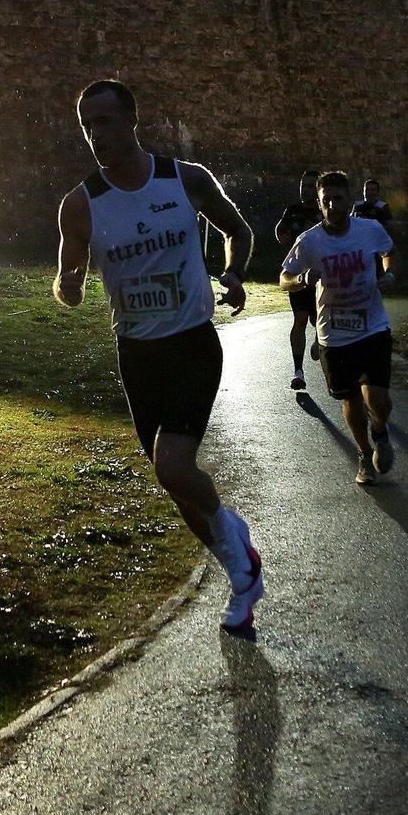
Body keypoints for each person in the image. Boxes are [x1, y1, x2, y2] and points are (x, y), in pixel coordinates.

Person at [54, 79, 265, 634]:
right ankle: (239, 571)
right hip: (137, 353)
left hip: (192, 341)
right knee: (171, 480)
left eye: (105, 120)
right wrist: (70, 285)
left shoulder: (185, 179)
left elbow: (236, 230)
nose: (97, 134)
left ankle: (232, 537)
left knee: (173, 465)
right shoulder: (80, 204)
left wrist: (235, 271)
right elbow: (66, 277)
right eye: (87, 125)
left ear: (131, 120)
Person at [280, 170, 399, 485]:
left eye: (338, 198)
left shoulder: (369, 229)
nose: (332, 205)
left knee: (379, 399)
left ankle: (380, 430)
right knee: (351, 400)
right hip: (334, 332)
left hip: (372, 324)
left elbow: (389, 253)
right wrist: (302, 279)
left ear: (350, 200)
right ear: (320, 205)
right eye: (326, 200)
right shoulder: (309, 241)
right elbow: (284, 278)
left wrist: (388, 275)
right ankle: (364, 453)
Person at [273, 171, 323, 391]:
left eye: (311, 186)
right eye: (303, 185)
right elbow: (280, 227)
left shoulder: (323, 212)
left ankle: (320, 340)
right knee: (300, 319)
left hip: (322, 274)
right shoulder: (292, 210)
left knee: (318, 319)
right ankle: (298, 372)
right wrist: (281, 237)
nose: (305, 189)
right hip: (298, 273)